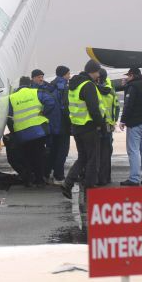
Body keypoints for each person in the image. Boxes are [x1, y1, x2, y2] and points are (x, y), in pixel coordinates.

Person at [60, 60, 104, 200]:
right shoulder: (88, 85)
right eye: (97, 72)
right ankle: (89, 188)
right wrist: (101, 124)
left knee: (83, 157)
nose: (98, 75)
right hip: (88, 127)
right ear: (93, 72)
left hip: (77, 127)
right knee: (92, 159)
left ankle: (68, 183)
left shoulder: (72, 85)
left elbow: (67, 105)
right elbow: (93, 109)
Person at [7, 75, 57, 186]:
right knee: (39, 155)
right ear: (29, 84)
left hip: (22, 133)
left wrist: (13, 132)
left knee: (26, 156)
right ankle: (40, 179)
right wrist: (43, 112)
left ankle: (29, 179)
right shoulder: (36, 92)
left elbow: (9, 117)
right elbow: (51, 101)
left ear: (19, 85)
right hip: (38, 131)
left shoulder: (12, 97)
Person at [119, 67, 142, 186]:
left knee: (133, 150)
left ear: (132, 75)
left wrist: (123, 120)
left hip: (135, 123)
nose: (127, 78)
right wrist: (127, 86)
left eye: (128, 76)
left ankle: (134, 178)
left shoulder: (132, 87)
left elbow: (128, 105)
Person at [30, 68, 63, 184]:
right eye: (38, 77)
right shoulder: (32, 91)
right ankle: (42, 174)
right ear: (32, 78)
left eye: (42, 77)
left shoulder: (48, 88)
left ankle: (46, 173)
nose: (41, 79)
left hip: (50, 125)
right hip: (37, 126)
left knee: (50, 150)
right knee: (40, 151)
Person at [46, 65, 71, 183]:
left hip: (52, 125)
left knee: (53, 150)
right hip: (62, 125)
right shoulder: (64, 87)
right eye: (68, 74)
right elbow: (65, 107)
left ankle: (47, 173)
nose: (69, 76)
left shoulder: (51, 86)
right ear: (63, 75)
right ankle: (59, 176)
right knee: (62, 151)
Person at [97, 68, 119, 186]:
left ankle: (97, 178)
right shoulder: (111, 89)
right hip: (109, 125)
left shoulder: (94, 89)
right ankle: (106, 178)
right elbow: (117, 106)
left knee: (96, 152)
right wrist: (113, 121)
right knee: (107, 151)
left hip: (97, 124)